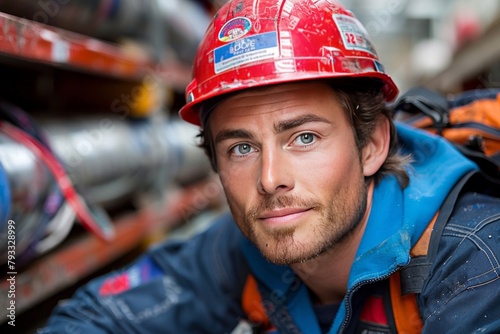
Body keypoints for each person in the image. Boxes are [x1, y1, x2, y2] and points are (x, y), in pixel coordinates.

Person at [41, 0, 500, 333]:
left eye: (304, 137)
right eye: (241, 148)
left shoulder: (474, 259)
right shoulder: (248, 245)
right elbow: (92, 318)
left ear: (372, 145)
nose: (269, 179)